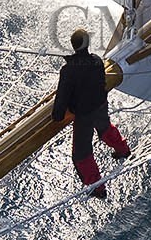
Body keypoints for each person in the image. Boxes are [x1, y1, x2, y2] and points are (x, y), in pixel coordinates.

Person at [51, 28, 132, 198]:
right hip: (100, 104)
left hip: (84, 113)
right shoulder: (96, 60)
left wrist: (57, 115)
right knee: (105, 129)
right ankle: (123, 150)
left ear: (73, 46)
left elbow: (63, 96)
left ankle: (98, 188)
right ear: (88, 44)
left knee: (82, 152)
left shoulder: (69, 70)